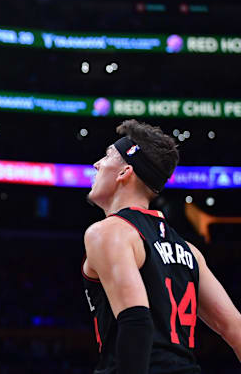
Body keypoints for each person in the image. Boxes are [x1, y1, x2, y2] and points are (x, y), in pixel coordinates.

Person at [82, 119, 241, 374]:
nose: (97, 164)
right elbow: (234, 328)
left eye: (107, 155)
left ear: (125, 173)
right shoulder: (190, 251)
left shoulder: (110, 232)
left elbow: (136, 322)